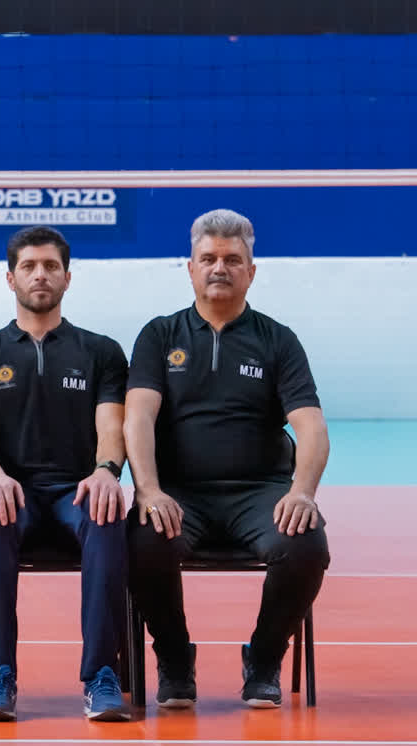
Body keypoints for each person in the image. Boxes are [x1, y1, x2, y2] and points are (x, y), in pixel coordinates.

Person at [125, 209, 330, 709]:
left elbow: (311, 427)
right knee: (143, 541)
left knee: (305, 544)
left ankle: (264, 659)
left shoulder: (278, 340)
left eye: (233, 259)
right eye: (209, 258)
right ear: (190, 268)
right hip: (179, 495)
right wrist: (148, 490)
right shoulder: (159, 335)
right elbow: (138, 418)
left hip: (259, 494)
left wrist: (302, 493)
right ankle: (175, 658)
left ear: (251, 271)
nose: (220, 268)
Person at [0, 226, 131, 722]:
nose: (40, 275)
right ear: (10, 278)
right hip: (12, 493)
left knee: (107, 516)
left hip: (76, 492)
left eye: (51, 266)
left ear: (67, 278)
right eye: (29, 266)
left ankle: (102, 674)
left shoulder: (101, 351)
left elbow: (111, 427)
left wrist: (106, 471)